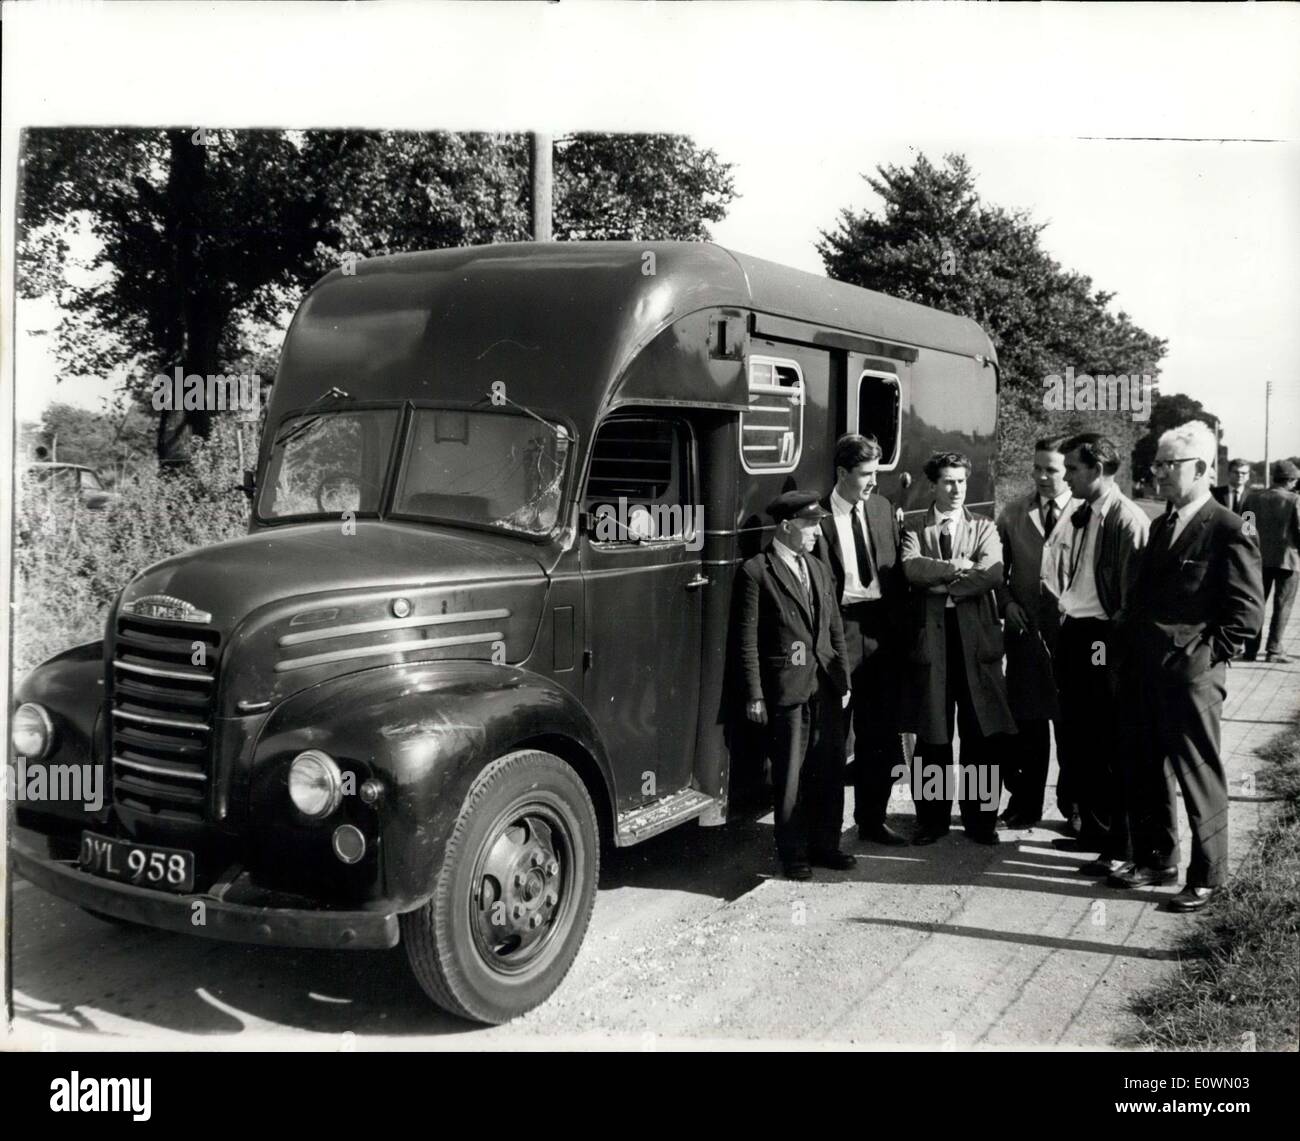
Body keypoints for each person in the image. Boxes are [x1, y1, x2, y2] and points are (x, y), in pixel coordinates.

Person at [1114, 421, 1263, 911]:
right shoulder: (1163, 524)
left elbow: (1245, 615)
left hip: (1190, 678)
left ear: (1200, 468)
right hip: (1144, 672)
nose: (1157, 473)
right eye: (1156, 464)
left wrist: (1201, 659)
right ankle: (1158, 859)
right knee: (1145, 769)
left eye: (1167, 465)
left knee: (1198, 772)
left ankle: (1209, 877)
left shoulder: (1228, 527)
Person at [1041, 433, 1149, 878]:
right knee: (1079, 736)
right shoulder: (1084, 512)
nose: (1065, 476)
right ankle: (1095, 831)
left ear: (1099, 469)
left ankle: (1118, 844)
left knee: (1106, 738)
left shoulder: (1127, 519)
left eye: (1073, 469)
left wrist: (1113, 651)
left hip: (1103, 637)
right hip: (1077, 630)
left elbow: (1130, 598)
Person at [900, 451, 1017, 846]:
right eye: (948, 481)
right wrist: (955, 567)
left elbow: (991, 573)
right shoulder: (915, 525)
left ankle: (980, 821)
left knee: (980, 734)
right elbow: (910, 568)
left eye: (962, 482)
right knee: (933, 737)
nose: (956, 489)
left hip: (975, 643)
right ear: (933, 485)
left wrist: (939, 586)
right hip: (931, 644)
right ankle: (931, 821)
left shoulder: (983, 526)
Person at [739, 491, 854, 880]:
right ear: (786, 526)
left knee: (830, 768)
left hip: (826, 682)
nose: (817, 532)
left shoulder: (818, 568)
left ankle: (827, 845)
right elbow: (747, 640)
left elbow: (835, 627)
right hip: (787, 688)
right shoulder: (757, 571)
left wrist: (844, 678)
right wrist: (755, 694)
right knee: (791, 775)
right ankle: (794, 855)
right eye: (810, 525)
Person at [815, 434, 909, 846]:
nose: (873, 482)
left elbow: (895, 574)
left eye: (876, 473)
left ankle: (872, 820)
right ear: (841, 473)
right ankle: (826, 833)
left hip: (881, 632)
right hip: (841, 630)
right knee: (832, 737)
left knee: (879, 733)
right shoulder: (816, 517)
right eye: (866, 475)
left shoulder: (883, 508)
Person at [994, 437, 1079, 830]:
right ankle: (1024, 802)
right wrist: (1008, 603)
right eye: (1038, 469)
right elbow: (999, 571)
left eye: (1053, 470)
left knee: (1073, 725)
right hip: (1026, 635)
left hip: (1072, 637)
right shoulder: (1013, 513)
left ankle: (1075, 804)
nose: (1043, 477)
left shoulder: (1086, 512)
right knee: (1027, 724)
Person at [1242, 459, 1300, 663]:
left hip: (1258, 561)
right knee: (1282, 605)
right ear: (1291, 481)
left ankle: (1250, 650)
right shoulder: (1295, 500)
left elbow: (1246, 530)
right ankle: (1274, 650)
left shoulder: (1252, 499)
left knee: (1256, 604)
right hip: (1288, 561)